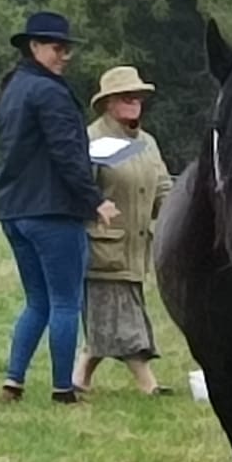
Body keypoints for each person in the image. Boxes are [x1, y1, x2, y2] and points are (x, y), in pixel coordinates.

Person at [0, 10, 119, 405]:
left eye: (66, 49)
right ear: (34, 46)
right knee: (65, 301)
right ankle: (64, 389)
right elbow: (66, 154)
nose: (64, 56)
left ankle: (14, 381)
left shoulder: (14, 88)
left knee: (37, 301)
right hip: (51, 211)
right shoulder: (50, 92)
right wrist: (95, 199)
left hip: (14, 209)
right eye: (56, 48)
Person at [72, 65, 173, 396]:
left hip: (136, 250)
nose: (134, 101)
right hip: (103, 249)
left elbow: (163, 188)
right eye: (125, 96)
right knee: (125, 324)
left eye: (138, 96)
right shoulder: (90, 141)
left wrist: (174, 215)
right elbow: (77, 190)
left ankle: (79, 378)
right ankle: (149, 385)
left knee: (105, 325)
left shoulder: (147, 143)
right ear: (108, 103)